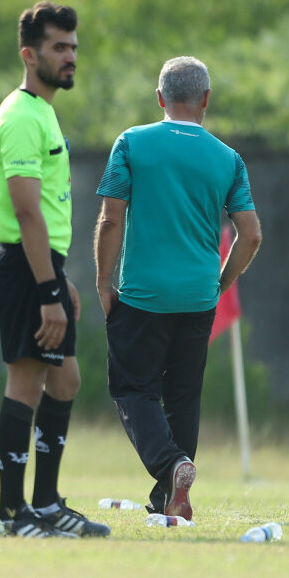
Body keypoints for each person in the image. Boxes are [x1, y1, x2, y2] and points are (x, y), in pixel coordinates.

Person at [94, 56, 261, 520]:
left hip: (142, 295)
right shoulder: (228, 158)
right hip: (198, 298)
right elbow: (251, 234)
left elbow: (111, 219)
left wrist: (103, 282)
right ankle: (167, 498)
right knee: (183, 397)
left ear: (159, 98)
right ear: (206, 99)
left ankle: (171, 466)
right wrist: (219, 285)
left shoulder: (131, 143)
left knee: (133, 388)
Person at [0, 1, 109, 538]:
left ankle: (47, 504)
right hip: (25, 268)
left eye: (73, 47)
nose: (70, 56)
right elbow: (26, 212)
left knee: (66, 379)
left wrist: (59, 279)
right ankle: (12, 514)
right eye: (59, 47)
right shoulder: (19, 116)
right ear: (29, 54)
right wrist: (46, 290)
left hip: (42, 267)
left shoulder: (43, 112)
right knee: (27, 380)